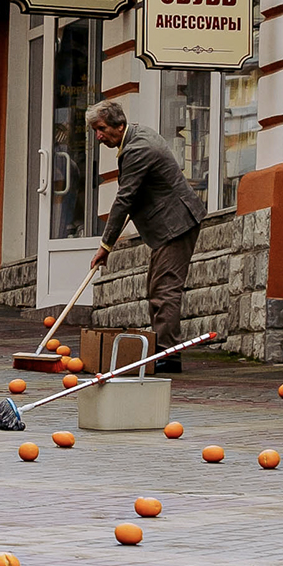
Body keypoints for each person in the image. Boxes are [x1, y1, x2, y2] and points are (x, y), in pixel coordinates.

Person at [87, 98, 206, 372]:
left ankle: (168, 355)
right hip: (169, 224)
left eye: (101, 128)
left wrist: (105, 245)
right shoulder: (134, 138)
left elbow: (124, 199)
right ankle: (163, 350)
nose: (99, 136)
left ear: (119, 124)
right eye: (95, 130)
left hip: (176, 223)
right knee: (156, 288)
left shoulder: (138, 148)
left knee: (164, 290)